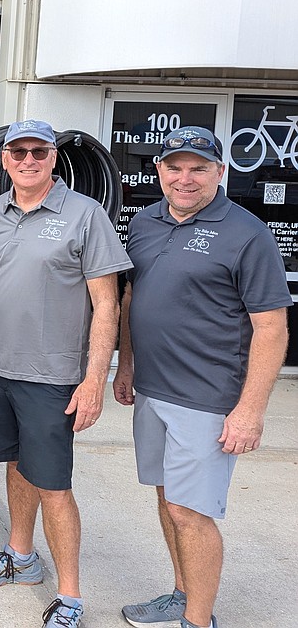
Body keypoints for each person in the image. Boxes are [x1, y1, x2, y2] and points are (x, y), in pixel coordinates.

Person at [113, 126, 290, 628]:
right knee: (169, 500)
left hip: (207, 398)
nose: (185, 178)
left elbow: (272, 327)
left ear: (220, 172)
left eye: (198, 168)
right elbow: (131, 300)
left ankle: (199, 619)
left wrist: (250, 411)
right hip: (152, 389)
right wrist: (126, 364)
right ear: (159, 171)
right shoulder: (145, 221)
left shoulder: (247, 233)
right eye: (175, 167)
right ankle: (181, 593)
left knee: (191, 512)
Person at [0, 119, 131, 628]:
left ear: (54, 158)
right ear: (4, 159)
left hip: (52, 376)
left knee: (54, 486)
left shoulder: (86, 216)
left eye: (40, 152)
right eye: (19, 153)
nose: (29, 160)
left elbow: (107, 305)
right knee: (16, 465)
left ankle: (72, 596)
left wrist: (94, 379)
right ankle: (20, 556)